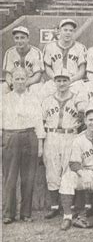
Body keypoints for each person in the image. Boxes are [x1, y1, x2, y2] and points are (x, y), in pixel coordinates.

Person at [2, 67, 45, 224]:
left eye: (22, 78)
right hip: (10, 137)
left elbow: (39, 122)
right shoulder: (4, 99)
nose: (20, 81)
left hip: (29, 137)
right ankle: (8, 213)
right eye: (17, 78)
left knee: (28, 177)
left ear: (27, 81)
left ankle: (26, 213)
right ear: (11, 80)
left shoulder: (33, 99)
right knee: (10, 177)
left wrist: (40, 145)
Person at [41, 68, 82, 219]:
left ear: (70, 82)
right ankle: (54, 206)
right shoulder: (47, 100)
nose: (62, 83)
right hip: (51, 135)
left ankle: (69, 205)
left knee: (68, 170)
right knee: (52, 170)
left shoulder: (77, 99)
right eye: (59, 80)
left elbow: (82, 119)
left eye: (65, 80)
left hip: (70, 135)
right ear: (54, 82)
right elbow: (42, 121)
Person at [42, 18, 87, 96]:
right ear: (59, 31)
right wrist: (55, 78)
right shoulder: (50, 46)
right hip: (55, 80)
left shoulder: (80, 47)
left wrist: (72, 80)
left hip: (74, 81)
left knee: (82, 93)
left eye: (71, 30)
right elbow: (47, 67)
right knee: (44, 93)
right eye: (65, 30)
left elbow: (82, 70)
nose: (68, 33)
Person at [3, 26, 44, 95]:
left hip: (31, 82)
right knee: (3, 87)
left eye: (22, 38)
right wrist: (11, 84)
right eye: (17, 38)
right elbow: (8, 74)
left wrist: (24, 84)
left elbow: (38, 75)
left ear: (28, 38)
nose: (19, 41)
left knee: (36, 89)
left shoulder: (36, 52)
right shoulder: (9, 52)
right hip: (15, 82)